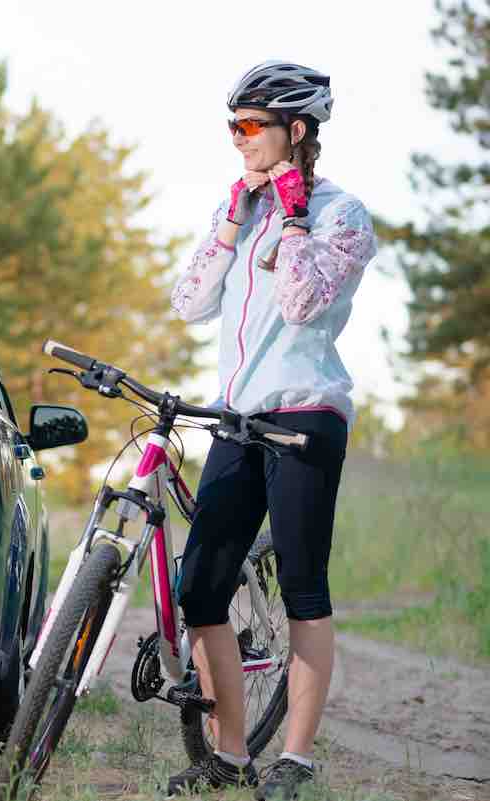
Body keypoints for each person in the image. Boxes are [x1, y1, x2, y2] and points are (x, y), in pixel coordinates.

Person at [167, 61, 377, 799]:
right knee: (201, 587)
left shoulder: (341, 214)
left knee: (302, 586)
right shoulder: (243, 208)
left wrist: (292, 216)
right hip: (239, 418)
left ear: (298, 130)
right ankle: (227, 756)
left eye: (251, 127)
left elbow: (298, 302)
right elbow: (189, 302)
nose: (239, 141)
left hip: (307, 415)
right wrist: (233, 219)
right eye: (233, 126)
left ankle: (295, 759)